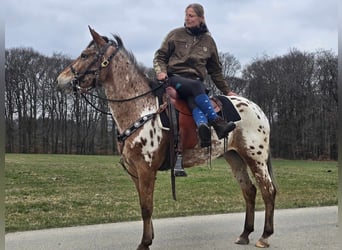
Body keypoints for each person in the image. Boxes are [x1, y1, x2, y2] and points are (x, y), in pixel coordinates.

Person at [153, 3, 236, 149]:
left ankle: (202, 128)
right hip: (175, 79)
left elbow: (215, 70)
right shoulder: (175, 34)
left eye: (191, 16)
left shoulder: (208, 42)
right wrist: (161, 71)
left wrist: (227, 91)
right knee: (198, 87)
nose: (187, 19)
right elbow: (160, 56)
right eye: (186, 15)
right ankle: (217, 122)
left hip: (194, 85)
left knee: (195, 100)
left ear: (201, 18)